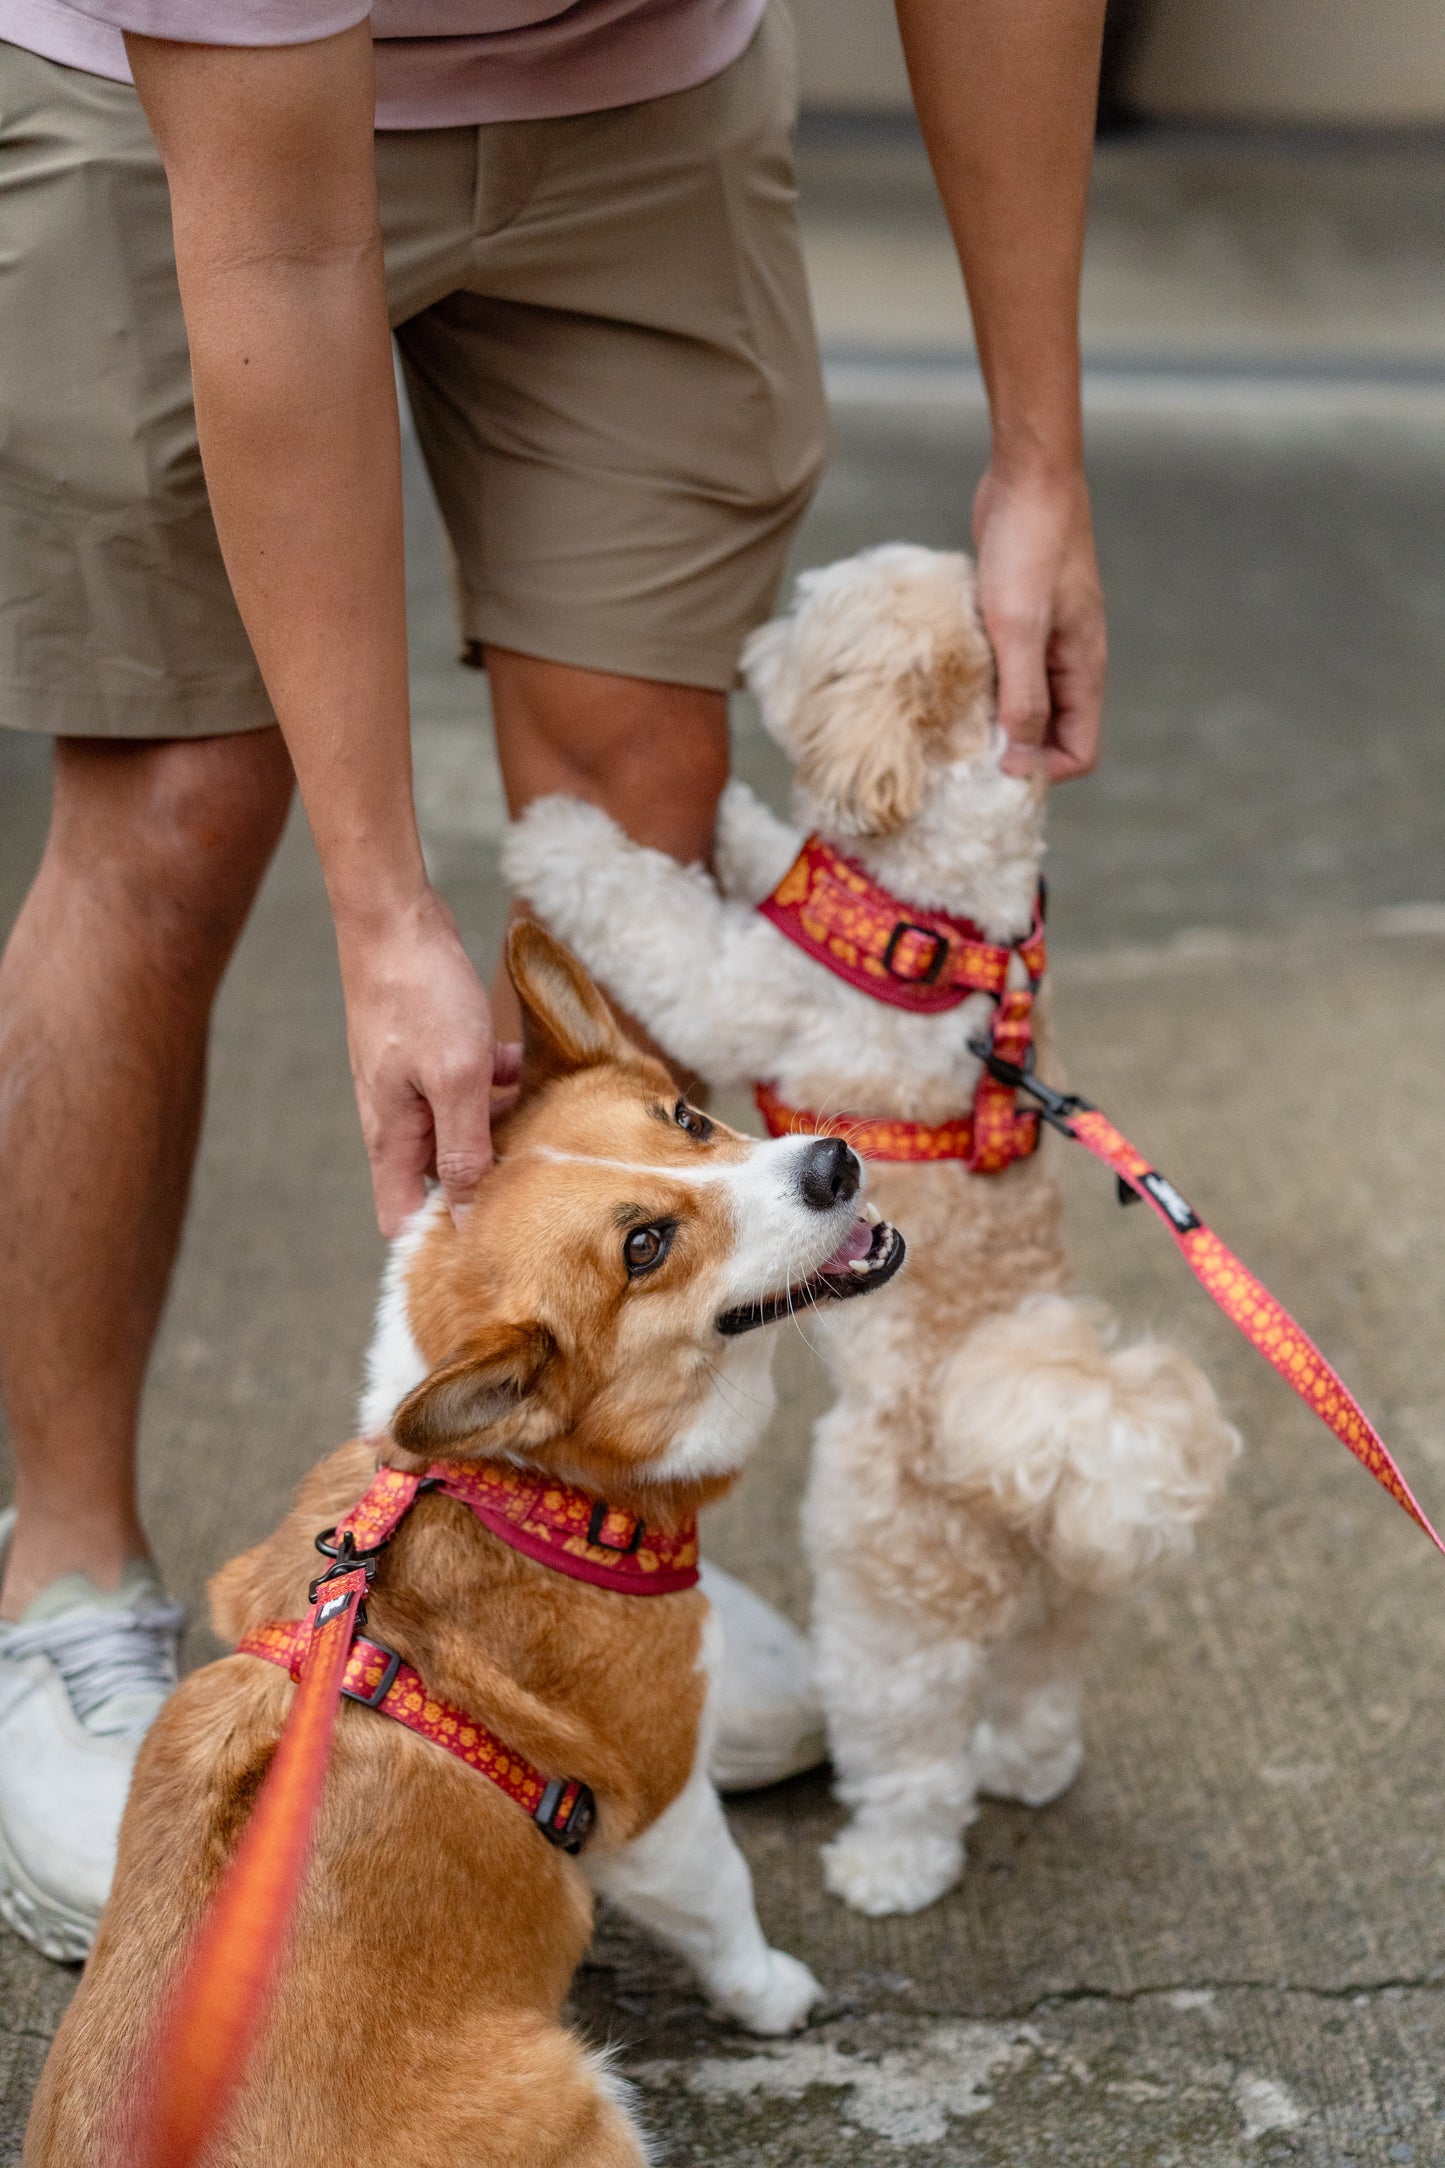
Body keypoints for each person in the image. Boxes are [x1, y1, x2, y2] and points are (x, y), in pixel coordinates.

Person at [0, 0, 1108, 1960]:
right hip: (171, 102)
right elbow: (279, 248)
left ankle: (604, 1524)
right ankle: (67, 1577)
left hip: (629, 92)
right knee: (175, 812)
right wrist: (380, 910)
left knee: (634, 806)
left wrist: (1040, 449)